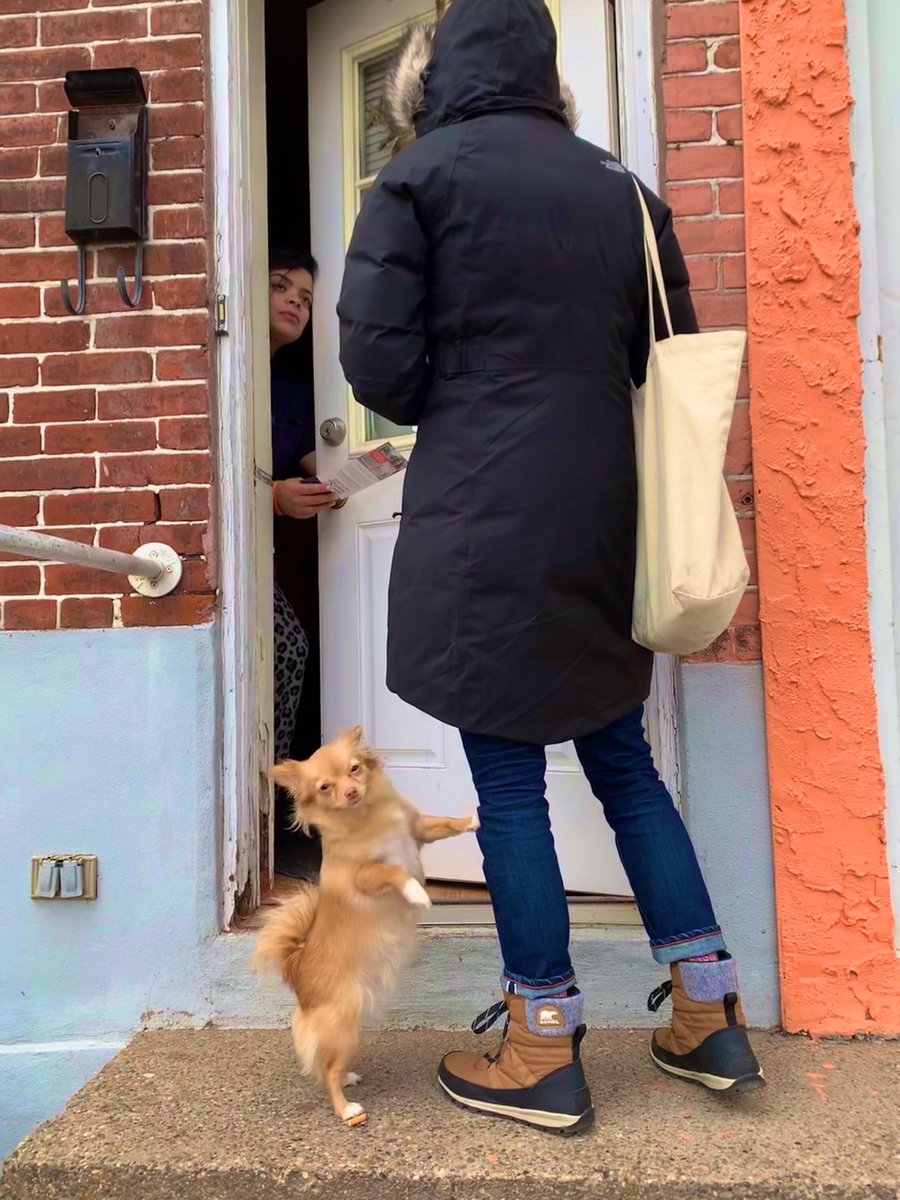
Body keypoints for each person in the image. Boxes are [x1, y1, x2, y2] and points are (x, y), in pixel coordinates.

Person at [337, 0, 763, 1135]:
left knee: (510, 779)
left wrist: (467, 391)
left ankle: (539, 1042)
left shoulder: (418, 179)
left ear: (429, 76)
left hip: (488, 507)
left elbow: (377, 364)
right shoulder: (623, 187)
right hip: (609, 505)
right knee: (624, 761)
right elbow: (662, 355)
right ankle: (708, 1013)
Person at [267, 248, 334, 767]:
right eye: (280, 286)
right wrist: (275, 497)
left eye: (305, 298)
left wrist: (346, 480)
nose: (294, 301)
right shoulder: (214, 367)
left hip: (262, 559)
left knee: (289, 650)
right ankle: (271, 782)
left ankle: (274, 782)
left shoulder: (290, 390)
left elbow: (319, 461)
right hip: (208, 559)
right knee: (289, 648)